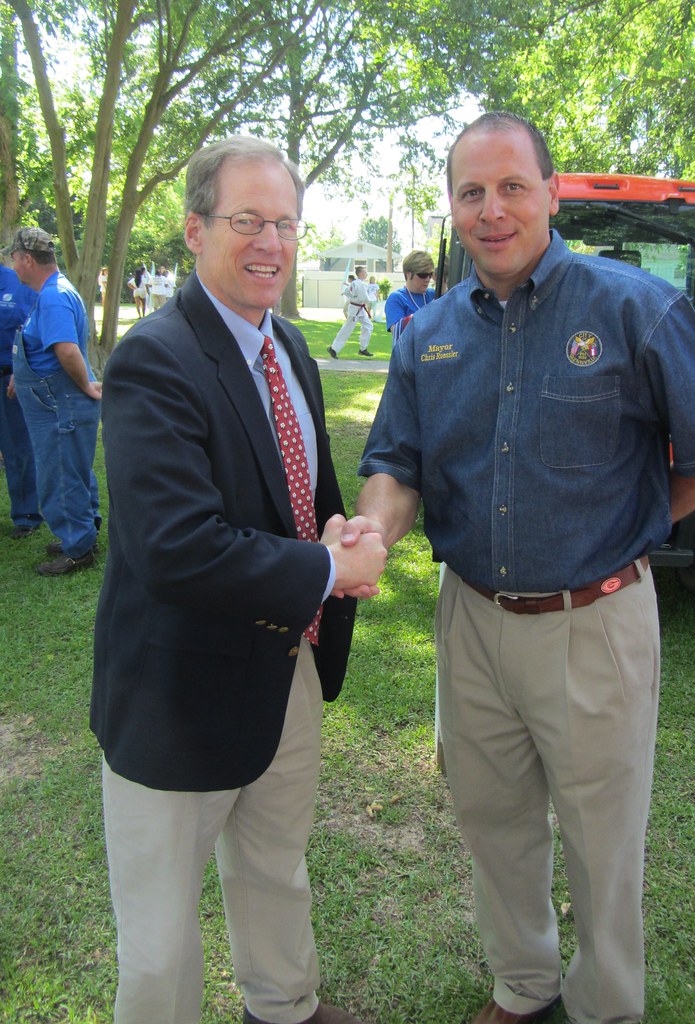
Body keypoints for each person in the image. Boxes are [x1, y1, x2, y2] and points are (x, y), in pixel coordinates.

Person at [347, 113, 695, 1024]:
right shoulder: (428, 336)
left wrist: (640, 518)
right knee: (493, 825)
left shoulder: (634, 308)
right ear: (452, 208)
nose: (492, 210)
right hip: (472, 620)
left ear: (551, 191)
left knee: (603, 841)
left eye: (511, 187)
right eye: (470, 192)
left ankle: (606, 1005)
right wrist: (371, 533)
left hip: (595, 621)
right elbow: (396, 467)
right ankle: (525, 989)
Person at [91, 135, 387, 1024]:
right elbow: (175, 546)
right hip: (179, 692)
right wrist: (331, 567)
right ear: (194, 230)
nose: (270, 242)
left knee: (274, 864)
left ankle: (284, 1005)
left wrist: (328, 533)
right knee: (158, 939)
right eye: (247, 220)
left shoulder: (287, 344)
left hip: (285, 667)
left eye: (286, 223)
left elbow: (285, 490)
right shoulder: (155, 357)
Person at [4, 227, 102, 576]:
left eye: (14, 259)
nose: (13, 266)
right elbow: (43, 345)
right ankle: (83, 532)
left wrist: (87, 386)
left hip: (60, 407)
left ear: (27, 259)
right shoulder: (53, 291)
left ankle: (78, 548)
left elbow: (65, 349)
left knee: (60, 476)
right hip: (58, 405)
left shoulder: (53, 296)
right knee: (72, 471)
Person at [0, 255, 42, 538]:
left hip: (8, 377)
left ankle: (26, 513)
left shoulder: (17, 282)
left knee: (17, 446)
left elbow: (31, 329)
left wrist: (20, 368)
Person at [383, 249, 435, 343]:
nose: (427, 279)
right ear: (408, 273)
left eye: (430, 274)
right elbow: (399, 333)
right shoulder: (396, 298)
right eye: (422, 275)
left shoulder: (433, 295)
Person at [327, 265, 374, 359]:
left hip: (359, 308)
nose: (366, 274)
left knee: (368, 326)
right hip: (355, 309)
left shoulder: (355, 283)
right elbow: (364, 298)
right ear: (360, 273)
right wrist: (371, 299)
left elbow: (346, 292)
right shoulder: (359, 284)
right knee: (347, 329)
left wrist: (353, 297)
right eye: (365, 272)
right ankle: (333, 348)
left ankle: (363, 349)